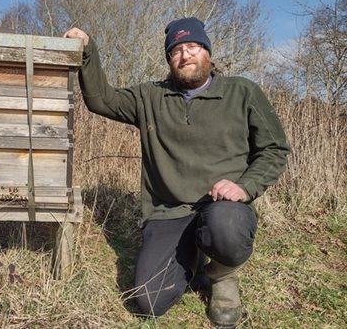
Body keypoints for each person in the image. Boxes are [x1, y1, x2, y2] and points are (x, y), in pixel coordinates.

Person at [64, 17, 289, 328]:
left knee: (225, 228)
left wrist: (245, 187)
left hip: (222, 208)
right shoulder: (150, 97)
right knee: (148, 301)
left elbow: (274, 149)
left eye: (193, 46)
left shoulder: (243, 93)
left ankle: (222, 275)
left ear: (208, 52)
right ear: (170, 59)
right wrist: (88, 50)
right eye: (176, 50)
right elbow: (102, 100)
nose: (186, 55)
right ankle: (194, 255)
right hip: (168, 211)